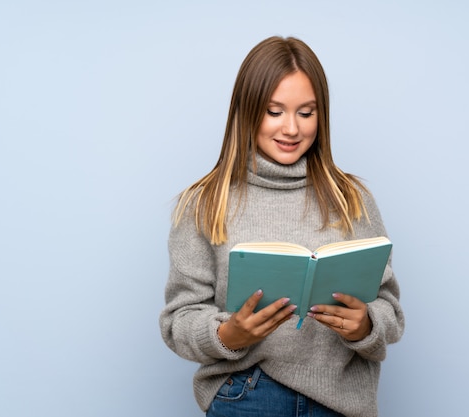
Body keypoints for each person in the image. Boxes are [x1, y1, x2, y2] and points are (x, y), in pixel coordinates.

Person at [159, 35, 404, 417]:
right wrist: (227, 335)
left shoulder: (351, 198)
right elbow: (179, 320)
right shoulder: (205, 203)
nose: (292, 128)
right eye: (275, 111)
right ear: (247, 111)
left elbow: (389, 308)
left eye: (306, 113)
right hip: (247, 394)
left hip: (342, 401)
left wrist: (365, 325)